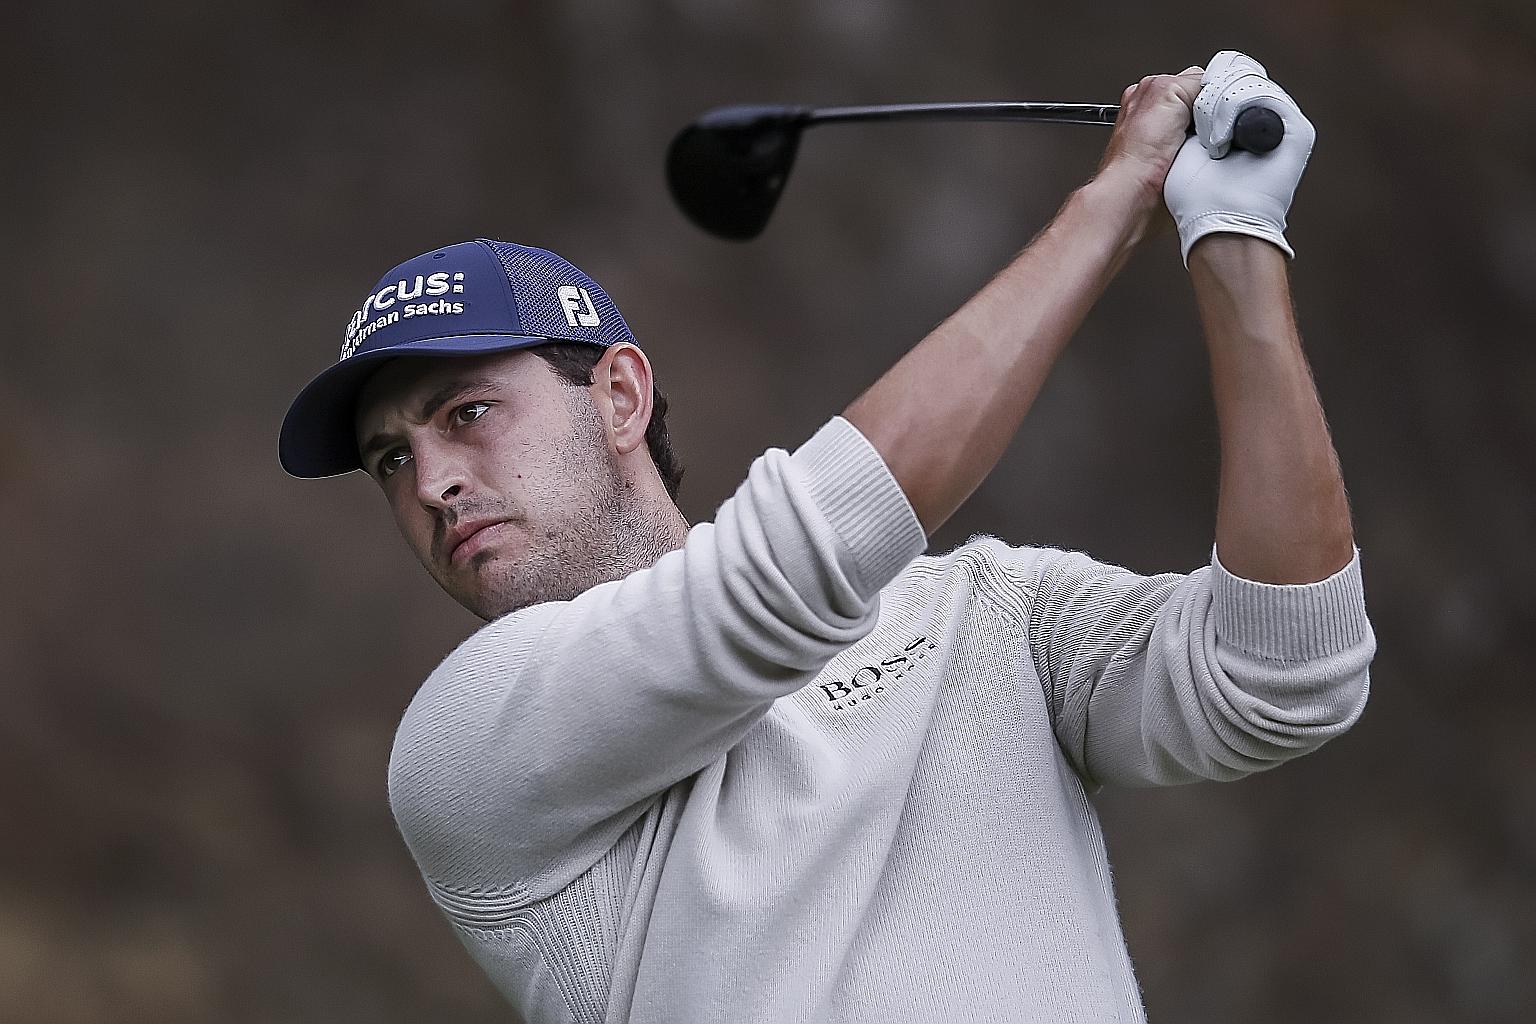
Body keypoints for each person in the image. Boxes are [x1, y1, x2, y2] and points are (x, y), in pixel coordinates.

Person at [279, 51, 1375, 1023]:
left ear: (618, 397)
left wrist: (1236, 240)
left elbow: (1282, 672)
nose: (430, 480)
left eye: (466, 414)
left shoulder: (987, 613)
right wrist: (1117, 198)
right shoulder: (466, 741)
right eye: (390, 458)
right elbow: (786, 574)